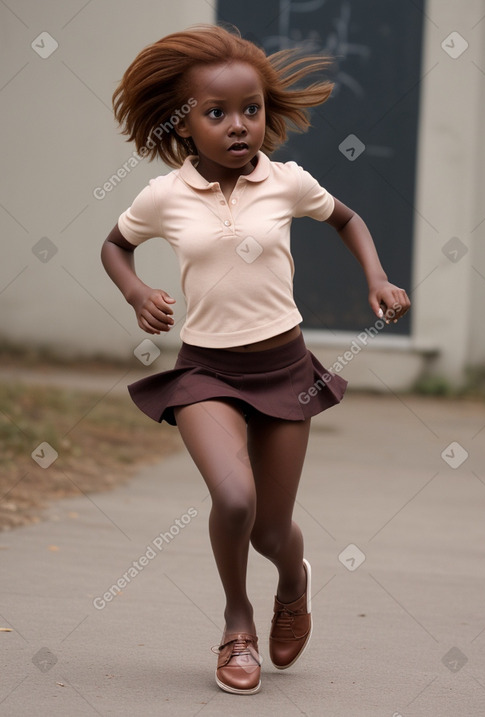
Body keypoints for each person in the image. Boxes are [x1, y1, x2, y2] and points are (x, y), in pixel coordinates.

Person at [101, 24, 410, 696]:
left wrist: (378, 279)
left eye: (252, 109)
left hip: (284, 371)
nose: (239, 126)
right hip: (206, 371)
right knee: (233, 496)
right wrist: (135, 292)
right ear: (184, 126)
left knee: (272, 529)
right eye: (217, 114)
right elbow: (115, 245)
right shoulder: (165, 196)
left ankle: (293, 581)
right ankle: (236, 622)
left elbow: (348, 219)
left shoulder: (288, 182)